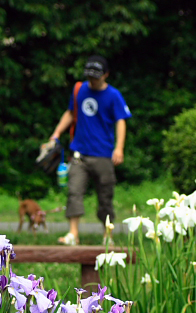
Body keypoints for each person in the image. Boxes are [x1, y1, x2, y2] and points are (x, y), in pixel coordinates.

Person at [43, 55, 131, 246]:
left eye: (96, 77)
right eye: (89, 76)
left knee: (105, 197)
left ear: (106, 75)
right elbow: (70, 113)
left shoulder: (113, 95)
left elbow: (121, 121)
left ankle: (108, 235)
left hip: (103, 154)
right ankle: (73, 234)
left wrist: (119, 148)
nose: (91, 80)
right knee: (74, 192)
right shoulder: (79, 90)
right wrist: (56, 133)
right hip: (79, 154)